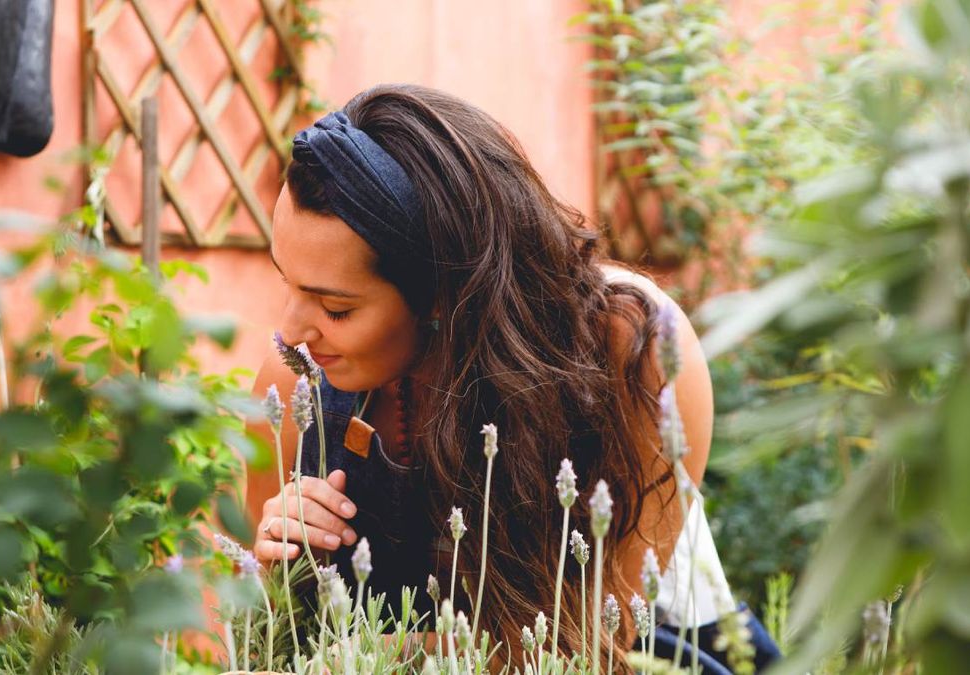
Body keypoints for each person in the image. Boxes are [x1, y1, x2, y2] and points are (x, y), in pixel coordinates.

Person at [244, 83, 774, 672]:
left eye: (335, 308)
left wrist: (377, 656)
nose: (290, 331)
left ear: (443, 291)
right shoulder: (294, 389)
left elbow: (594, 649)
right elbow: (266, 642)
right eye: (286, 281)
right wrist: (275, 569)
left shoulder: (628, 348)